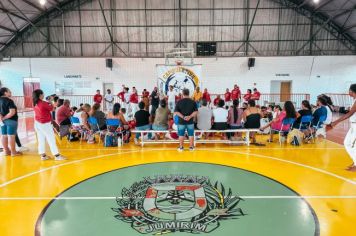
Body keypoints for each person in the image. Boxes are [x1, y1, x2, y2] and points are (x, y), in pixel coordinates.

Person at [32, 89, 66, 160]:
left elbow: (47, 106)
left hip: (38, 123)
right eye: (43, 94)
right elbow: (52, 108)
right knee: (51, 139)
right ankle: (57, 155)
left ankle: (43, 156)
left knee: (41, 139)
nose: (44, 95)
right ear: (40, 95)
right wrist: (52, 102)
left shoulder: (35, 102)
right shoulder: (43, 103)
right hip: (45, 124)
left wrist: (50, 101)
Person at [330, 84, 356, 171]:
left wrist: (336, 122)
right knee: (347, 143)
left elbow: (350, 113)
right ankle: (355, 161)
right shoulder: (354, 100)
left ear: (352, 91)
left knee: (351, 144)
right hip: (353, 125)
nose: (348, 92)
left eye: (349, 91)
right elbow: (349, 110)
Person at [0, 87, 22, 156]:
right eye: (9, 91)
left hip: (2, 122)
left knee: (4, 135)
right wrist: (4, 118)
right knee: (11, 136)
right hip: (11, 121)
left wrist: (2, 118)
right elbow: (12, 112)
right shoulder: (9, 101)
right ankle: (13, 152)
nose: (11, 92)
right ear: (5, 92)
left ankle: (6, 151)